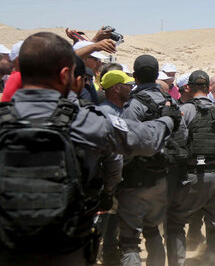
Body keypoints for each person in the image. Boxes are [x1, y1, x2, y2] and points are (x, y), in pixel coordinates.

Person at [0, 32, 176, 266]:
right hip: (66, 252)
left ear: (19, 68)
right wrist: (167, 119)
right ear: (65, 75)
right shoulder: (86, 122)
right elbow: (147, 140)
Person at [116, 54, 186, 266]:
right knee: (153, 230)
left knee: (130, 241)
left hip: (136, 179)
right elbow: (183, 136)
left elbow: (127, 140)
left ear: (135, 77)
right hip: (162, 178)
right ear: (157, 75)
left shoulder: (134, 104)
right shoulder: (172, 103)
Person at [166, 70, 215, 266]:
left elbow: (179, 144)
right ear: (207, 88)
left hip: (192, 177)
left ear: (189, 87)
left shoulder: (186, 110)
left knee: (176, 223)